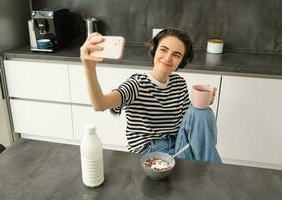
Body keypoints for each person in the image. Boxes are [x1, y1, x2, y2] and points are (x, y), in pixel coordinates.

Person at [80, 28, 218, 160]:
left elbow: (188, 121)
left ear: (181, 62)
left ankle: (208, 169)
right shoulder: (137, 84)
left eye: (176, 55)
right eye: (164, 50)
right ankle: (209, 170)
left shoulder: (179, 83)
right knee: (197, 168)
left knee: (203, 113)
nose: (168, 58)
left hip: (178, 145)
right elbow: (100, 104)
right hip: (150, 150)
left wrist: (202, 103)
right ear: (154, 50)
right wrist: (89, 69)